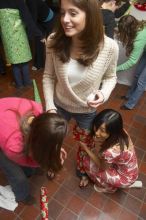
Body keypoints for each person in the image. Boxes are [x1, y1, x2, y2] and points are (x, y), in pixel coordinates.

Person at [43, 0, 119, 179]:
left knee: (85, 143)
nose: (65, 19)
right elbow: (48, 76)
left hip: (86, 110)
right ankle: (54, 162)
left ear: (90, 15)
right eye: (62, 13)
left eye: (73, 13)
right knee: (54, 139)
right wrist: (50, 107)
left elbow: (111, 77)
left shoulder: (109, 47)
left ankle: (82, 166)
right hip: (59, 105)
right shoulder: (54, 40)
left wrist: (103, 94)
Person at [0, 97, 67, 204]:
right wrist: (48, 163)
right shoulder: (13, 146)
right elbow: (26, 160)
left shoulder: (38, 111)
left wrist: (54, 149)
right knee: (17, 175)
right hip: (5, 138)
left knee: (29, 164)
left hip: (5, 115)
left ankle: (30, 172)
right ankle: (22, 195)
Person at [77, 109, 139, 193]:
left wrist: (86, 149)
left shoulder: (110, 152)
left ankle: (108, 188)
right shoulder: (122, 132)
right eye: (97, 126)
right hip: (131, 171)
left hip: (125, 178)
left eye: (102, 130)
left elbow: (102, 167)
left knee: (87, 161)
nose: (97, 133)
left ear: (112, 131)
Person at [0, 0, 44, 89]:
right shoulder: (18, 1)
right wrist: (39, 34)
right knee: (24, 60)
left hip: (7, 37)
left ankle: (19, 84)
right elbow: (28, 19)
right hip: (19, 35)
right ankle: (27, 82)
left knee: (14, 62)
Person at [116, 15, 146, 110]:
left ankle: (130, 105)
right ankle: (129, 95)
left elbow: (132, 61)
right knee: (137, 75)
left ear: (128, 30)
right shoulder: (139, 25)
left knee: (142, 82)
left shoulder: (139, 39)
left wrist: (114, 69)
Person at [26, 0, 56, 70]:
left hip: (50, 19)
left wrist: (29, 36)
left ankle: (55, 64)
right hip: (39, 21)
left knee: (52, 42)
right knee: (39, 41)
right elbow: (31, 18)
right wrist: (40, 35)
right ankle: (39, 64)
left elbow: (33, 18)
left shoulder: (31, 1)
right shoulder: (26, 2)